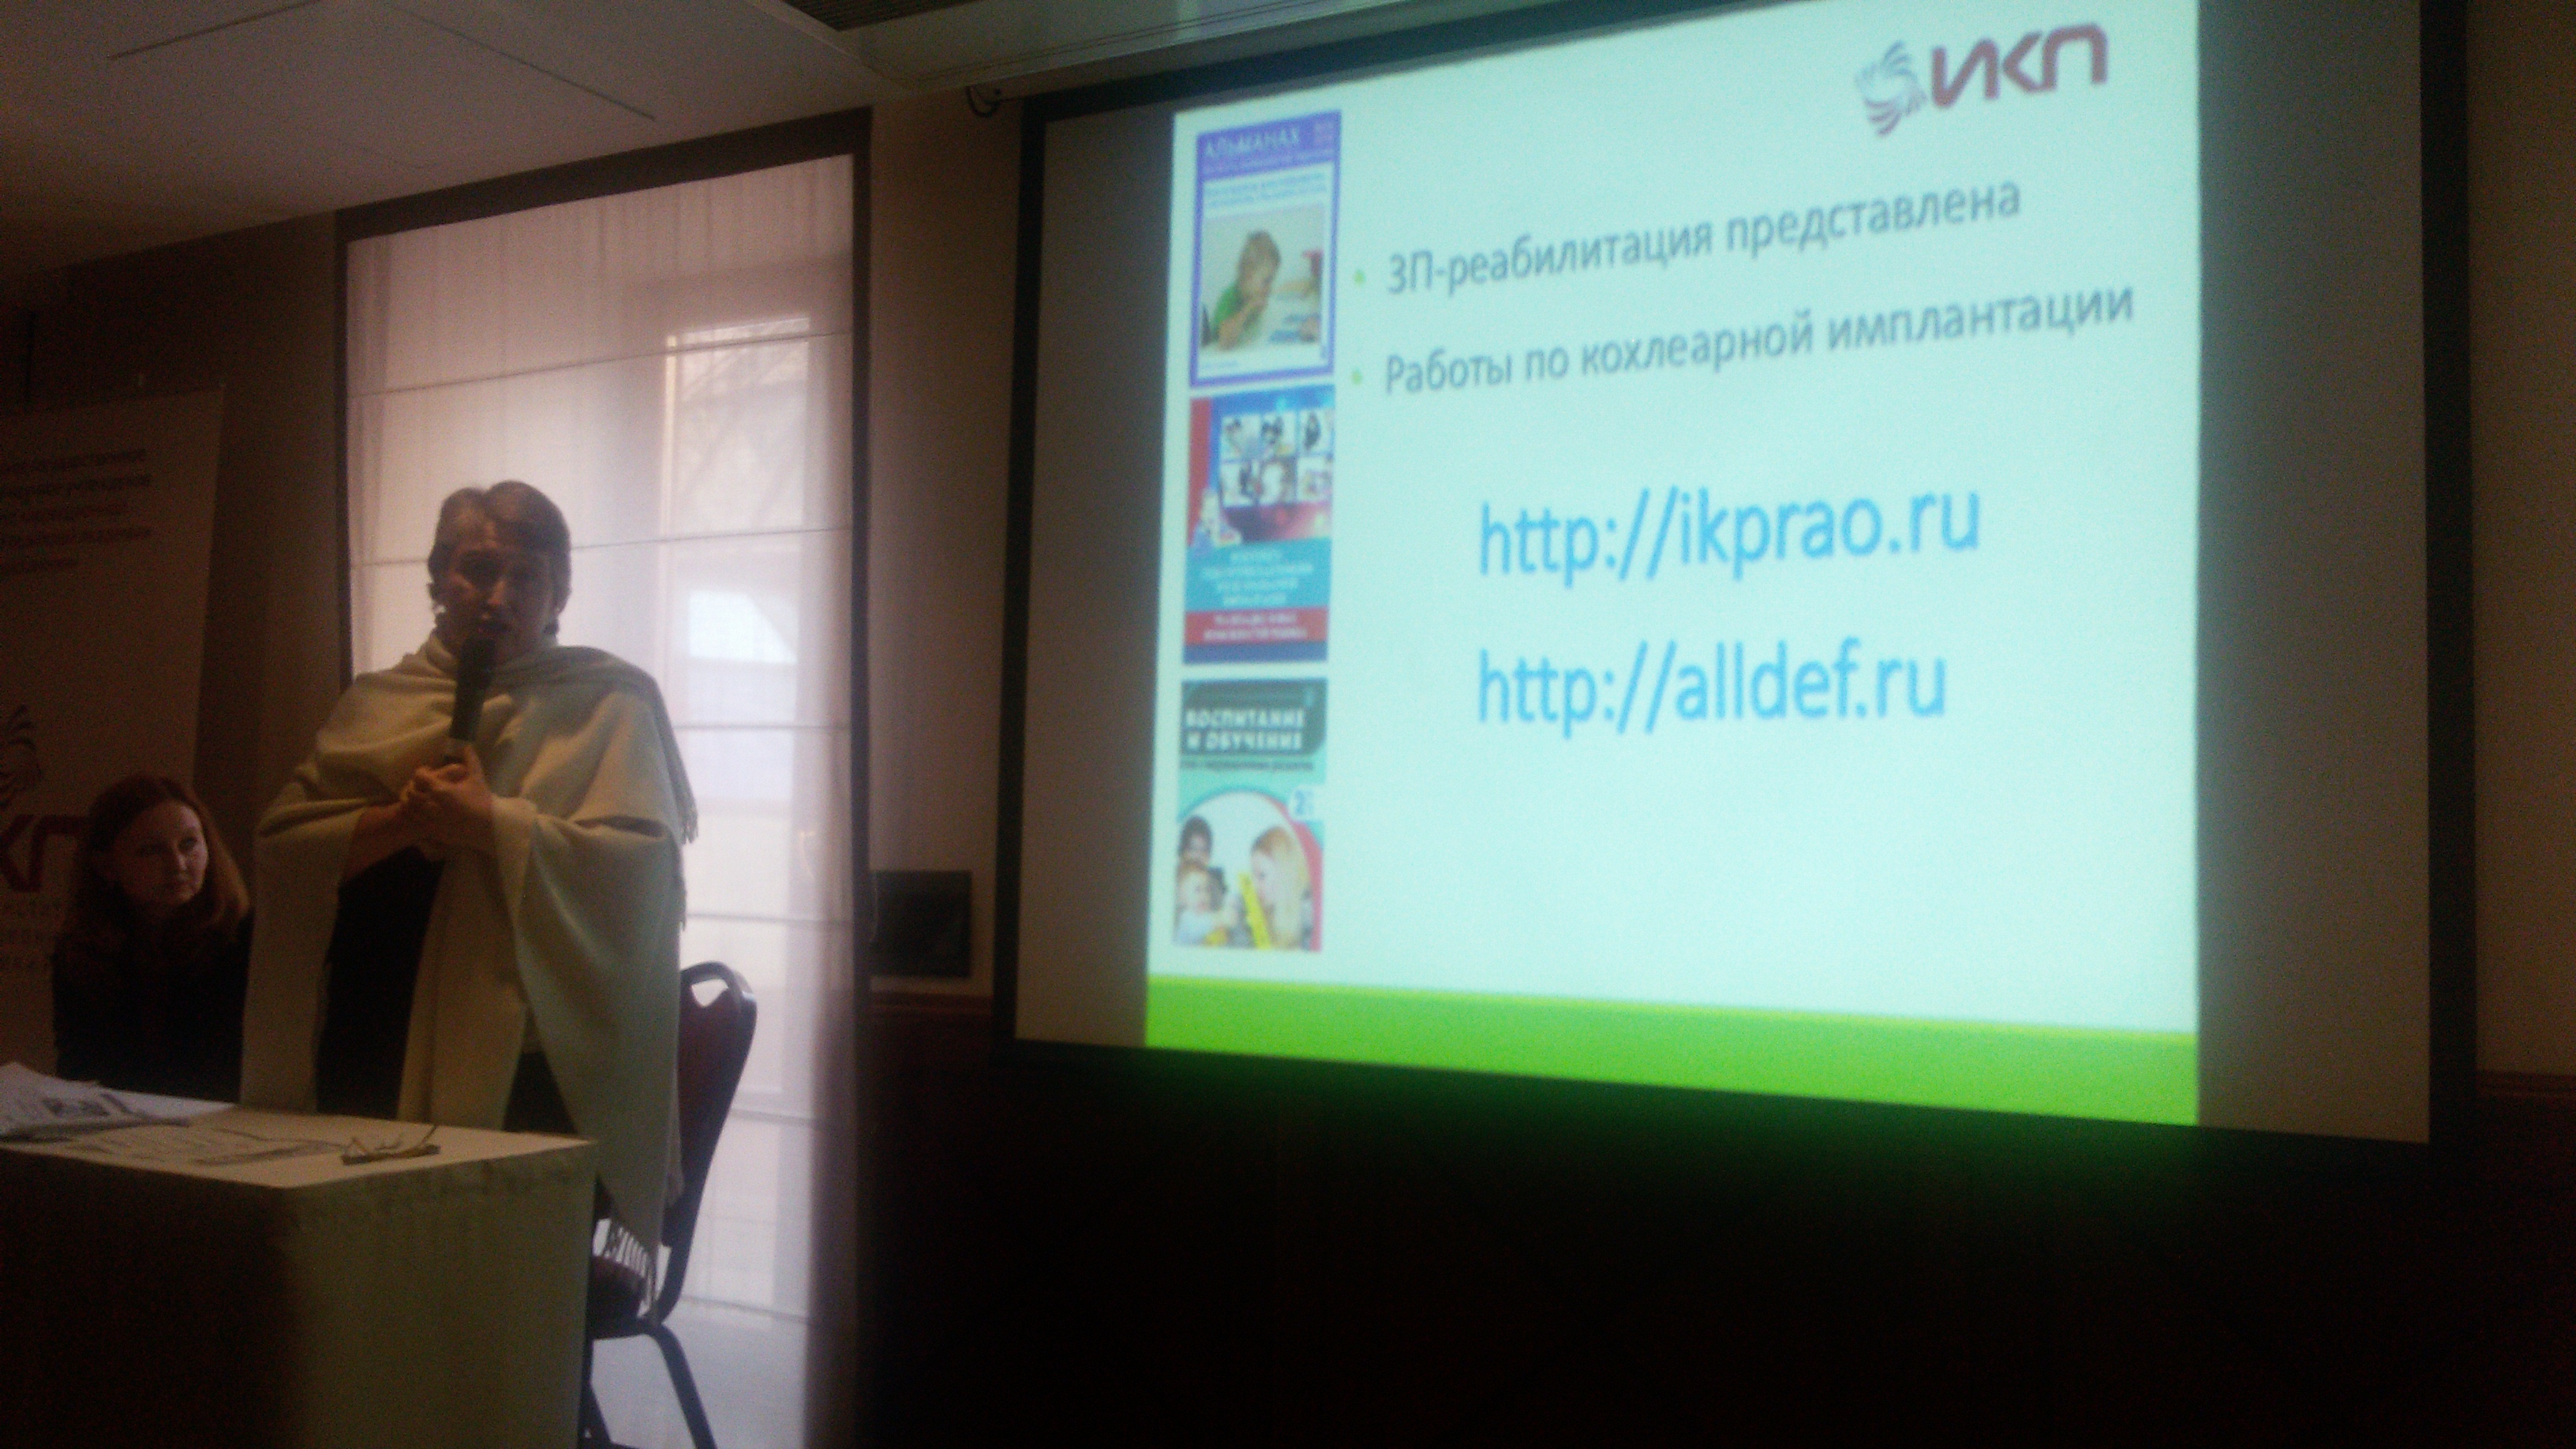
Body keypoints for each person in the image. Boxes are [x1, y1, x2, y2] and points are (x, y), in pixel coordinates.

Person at [241, 480, 695, 1253]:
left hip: (528, 1066)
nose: (499, 596)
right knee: (368, 1278)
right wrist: (403, 821)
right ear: (438, 579)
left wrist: (492, 825)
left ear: (559, 595)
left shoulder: (610, 704)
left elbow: (643, 878)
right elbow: (285, 849)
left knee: (501, 1290)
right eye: (478, 570)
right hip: (369, 1037)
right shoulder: (378, 702)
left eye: (526, 576)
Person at [48, 775, 250, 1100]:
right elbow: (78, 1069)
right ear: (105, 866)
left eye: (189, 844)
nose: (177, 864)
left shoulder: (242, 940)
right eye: (150, 851)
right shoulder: (83, 950)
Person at [1204, 230, 1282, 350]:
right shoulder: (1228, 298)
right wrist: (1248, 308)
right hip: (1221, 355)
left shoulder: (1256, 296)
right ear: (1248, 275)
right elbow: (1225, 342)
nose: (1270, 287)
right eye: (1266, 281)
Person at [1245, 824, 1313, 951]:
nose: (1254, 886)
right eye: (1253, 875)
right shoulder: (1254, 914)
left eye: (1262, 876)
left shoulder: (1311, 917)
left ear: (1285, 874)